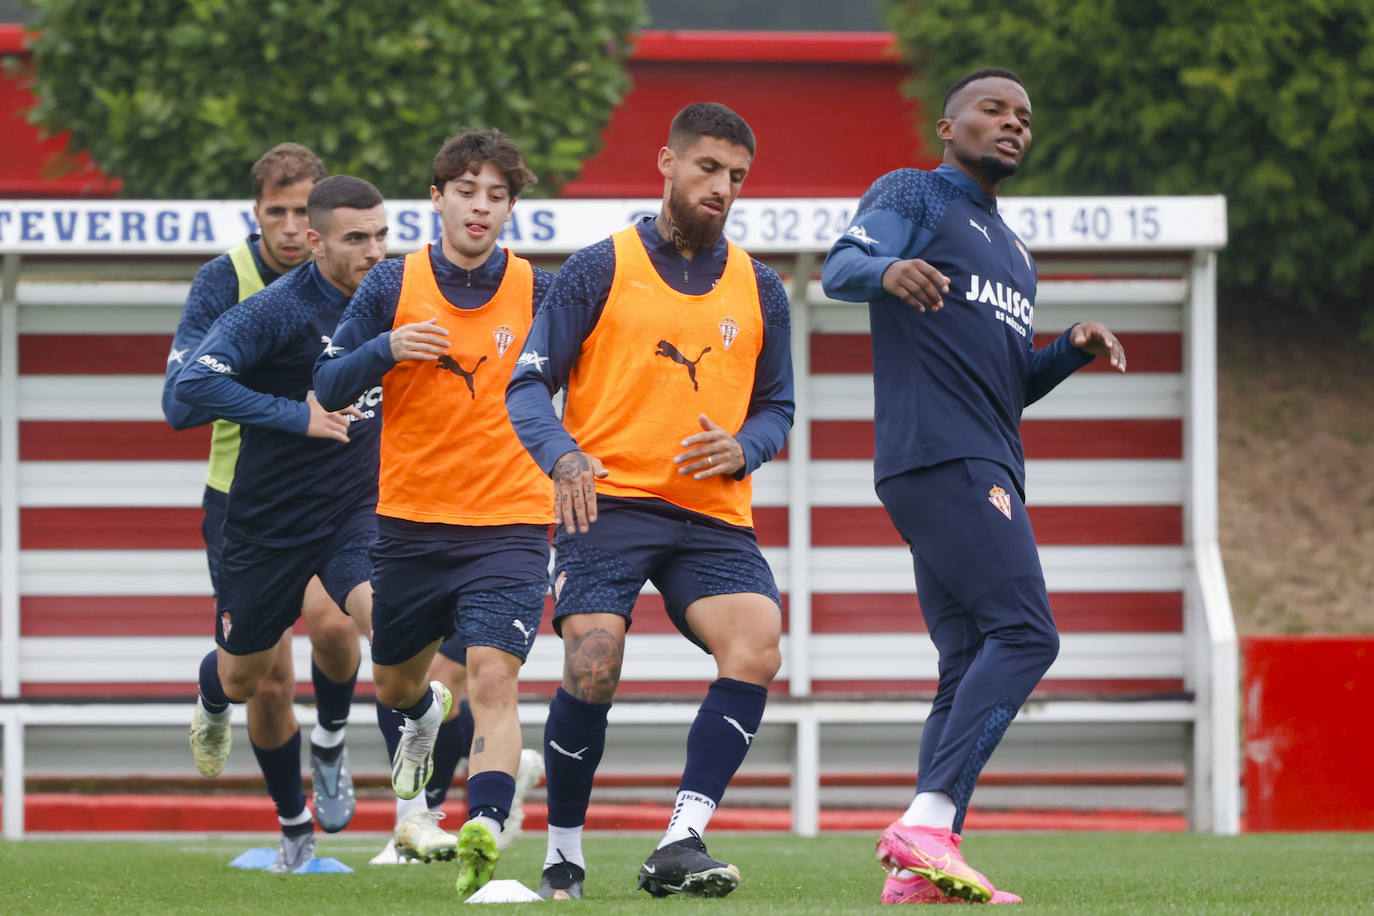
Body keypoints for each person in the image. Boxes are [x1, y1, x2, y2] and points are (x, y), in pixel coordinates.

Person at [821, 68, 1129, 905]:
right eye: (992, 109)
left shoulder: (1016, 251)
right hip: (942, 457)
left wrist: (1068, 346)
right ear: (948, 127)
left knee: (966, 660)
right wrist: (886, 272)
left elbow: (1008, 381)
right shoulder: (915, 193)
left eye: (1024, 115)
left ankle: (925, 865)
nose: (1012, 124)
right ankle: (927, 823)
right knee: (1028, 634)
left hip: (975, 458)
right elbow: (840, 265)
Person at [506, 102, 794, 900]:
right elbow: (528, 383)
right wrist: (563, 456)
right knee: (593, 662)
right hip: (610, 502)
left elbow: (779, 408)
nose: (722, 187)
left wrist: (748, 446)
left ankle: (681, 837)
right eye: (708, 168)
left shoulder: (762, 287)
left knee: (759, 644)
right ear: (666, 162)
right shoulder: (599, 266)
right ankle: (564, 850)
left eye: (736, 176)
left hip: (711, 512)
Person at [313, 128, 552, 897]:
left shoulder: (542, 289)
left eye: (497, 195)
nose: (480, 208)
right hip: (412, 522)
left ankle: (482, 830)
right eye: (467, 191)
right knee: (393, 686)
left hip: (513, 517)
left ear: (511, 208)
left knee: (494, 679)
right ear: (438, 198)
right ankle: (421, 719)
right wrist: (386, 347)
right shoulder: (390, 285)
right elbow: (327, 386)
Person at [172, 175, 389, 872]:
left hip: (351, 502)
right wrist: (296, 414)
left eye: (381, 235)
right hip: (256, 509)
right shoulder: (254, 297)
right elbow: (184, 395)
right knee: (252, 679)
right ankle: (222, 713)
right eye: (281, 213)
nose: (375, 251)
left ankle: (341, 741)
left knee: (359, 620)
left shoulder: (388, 286)